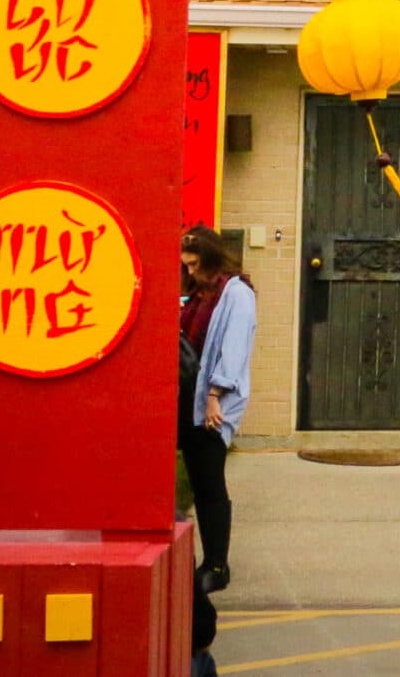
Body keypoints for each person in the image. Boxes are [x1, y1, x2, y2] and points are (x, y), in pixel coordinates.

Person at [179, 227, 257, 596]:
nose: (190, 271)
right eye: (186, 265)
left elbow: (233, 347)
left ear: (210, 259)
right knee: (196, 479)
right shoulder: (196, 293)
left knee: (210, 483)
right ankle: (200, 561)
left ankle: (216, 565)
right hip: (187, 398)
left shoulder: (236, 294)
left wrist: (214, 395)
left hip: (211, 403)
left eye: (195, 264)